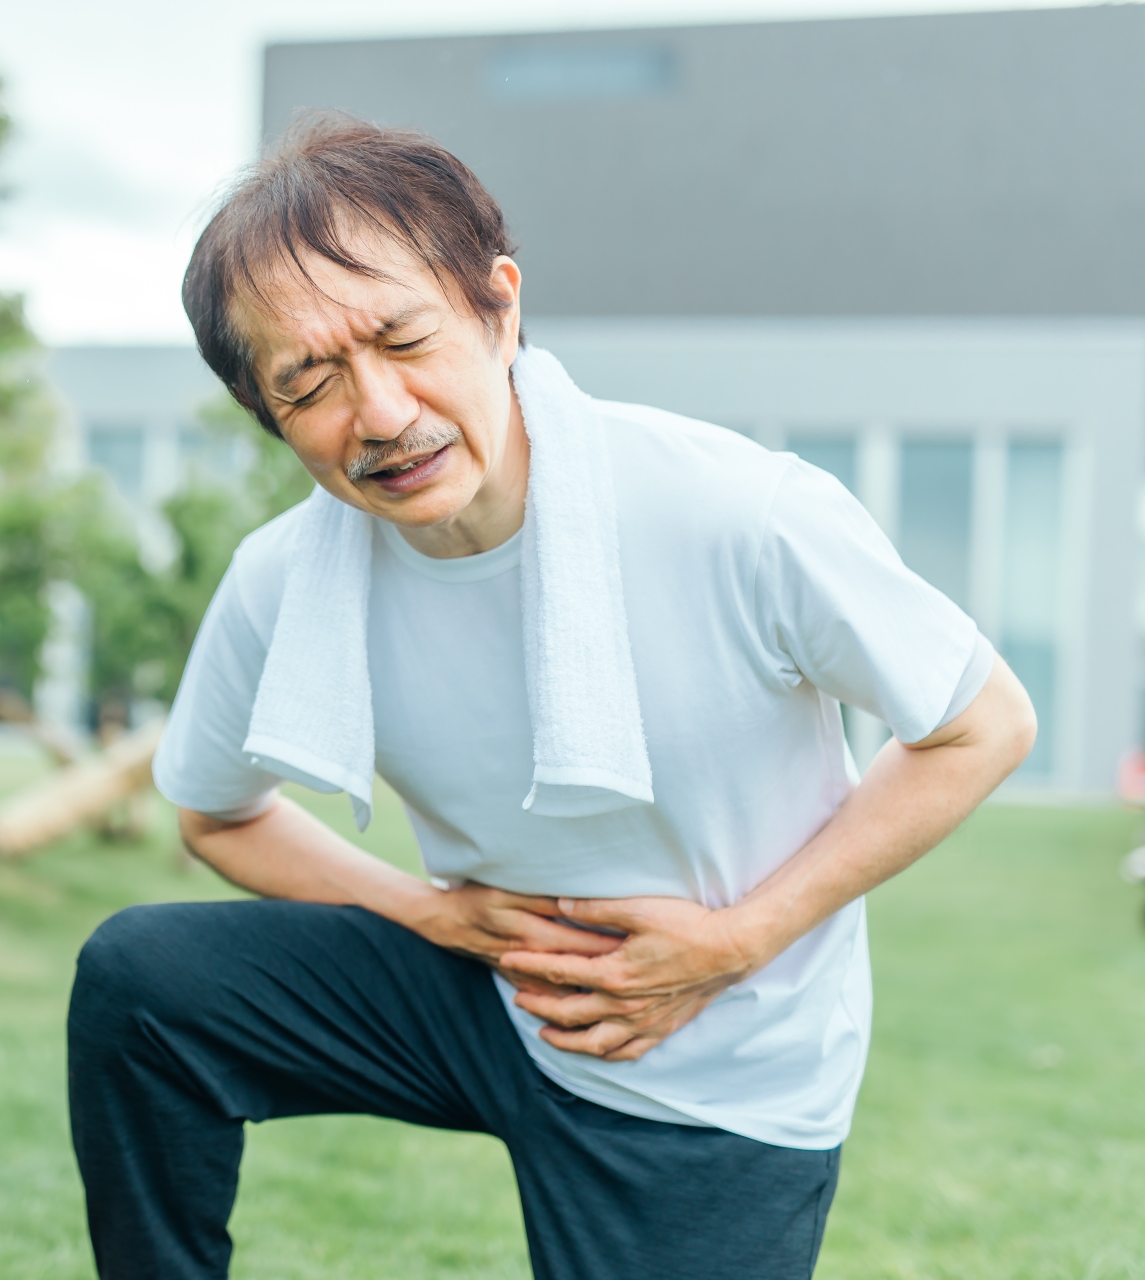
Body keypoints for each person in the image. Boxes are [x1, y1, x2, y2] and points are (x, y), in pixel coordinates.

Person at [65, 116, 1036, 1280]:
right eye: (310, 382)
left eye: (404, 337)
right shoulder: (284, 578)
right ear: (269, 416)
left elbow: (984, 720)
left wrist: (736, 939)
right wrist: (430, 912)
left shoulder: (734, 512)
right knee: (144, 984)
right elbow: (213, 812)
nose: (379, 413)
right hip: (484, 984)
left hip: (715, 1048)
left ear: (500, 303)